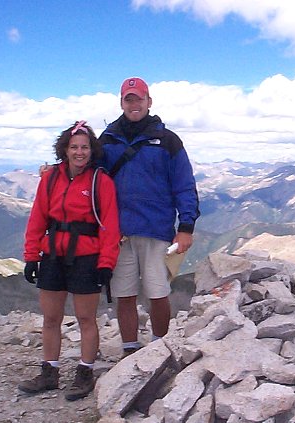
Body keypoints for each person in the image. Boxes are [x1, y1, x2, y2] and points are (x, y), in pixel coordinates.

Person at [99, 77, 200, 357]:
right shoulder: (107, 140)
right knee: (124, 294)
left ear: (149, 101)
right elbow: (88, 176)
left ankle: (159, 349)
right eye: (128, 99)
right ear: (121, 103)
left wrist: (186, 226)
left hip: (156, 229)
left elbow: (184, 184)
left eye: (139, 99)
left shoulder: (168, 141)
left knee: (158, 293)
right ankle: (130, 351)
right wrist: (55, 173)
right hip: (118, 232)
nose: (134, 104)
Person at [19, 121, 120, 401]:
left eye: (84, 147)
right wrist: (31, 256)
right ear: (64, 149)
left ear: (92, 150)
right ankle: (49, 372)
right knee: (51, 318)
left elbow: (110, 227)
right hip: (52, 254)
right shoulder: (50, 179)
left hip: (87, 256)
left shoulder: (101, 182)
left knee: (86, 318)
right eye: (74, 147)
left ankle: (84, 372)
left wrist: (106, 263)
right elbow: (38, 218)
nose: (79, 152)